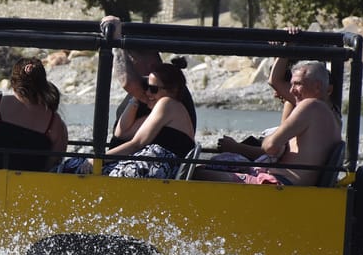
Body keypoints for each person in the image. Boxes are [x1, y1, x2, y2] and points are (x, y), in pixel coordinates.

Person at [197, 60, 342, 186]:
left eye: (297, 84)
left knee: (197, 174)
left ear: (317, 86)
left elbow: (270, 146)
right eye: (291, 84)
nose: (291, 90)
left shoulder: (310, 105)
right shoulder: (333, 117)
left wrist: (271, 142)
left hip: (279, 184)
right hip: (287, 182)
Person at [74, 62, 196, 179]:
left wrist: (98, 159)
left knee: (101, 174)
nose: (147, 92)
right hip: (154, 165)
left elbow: (137, 144)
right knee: (76, 164)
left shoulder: (167, 104)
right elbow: (122, 133)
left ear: (172, 90)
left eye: (153, 89)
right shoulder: (166, 112)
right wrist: (137, 98)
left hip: (159, 166)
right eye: (146, 87)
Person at [101, 15, 197, 147]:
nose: (129, 66)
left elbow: (127, 81)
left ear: (150, 65)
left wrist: (116, 42)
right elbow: (121, 134)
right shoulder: (151, 88)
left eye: (131, 61)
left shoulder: (165, 92)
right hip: (130, 159)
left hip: (144, 161)